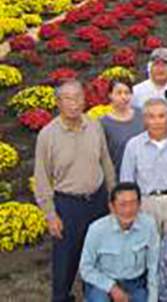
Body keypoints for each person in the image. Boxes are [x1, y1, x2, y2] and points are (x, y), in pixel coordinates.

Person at [33, 79, 116, 302]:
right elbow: (41, 179)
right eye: (68, 98)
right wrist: (51, 215)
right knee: (65, 263)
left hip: (98, 201)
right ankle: (61, 297)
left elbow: (106, 163)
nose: (74, 103)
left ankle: (94, 296)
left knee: (100, 257)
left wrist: (112, 197)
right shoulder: (47, 135)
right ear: (58, 102)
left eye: (78, 97)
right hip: (68, 205)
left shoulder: (94, 125)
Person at [121, 98, 167, 236]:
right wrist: (130, 208)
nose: (157, 122)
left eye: (161, 116)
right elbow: (127, 181)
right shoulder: (133, 145)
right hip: (146, 203)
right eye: (151, 117)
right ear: (145, 120)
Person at [80, 182, 160, 301]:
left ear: (139, 205)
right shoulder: (96, 229)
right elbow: (85, 268)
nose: (128, 210)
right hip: (103, 283)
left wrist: (153, 299)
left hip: (136, 284)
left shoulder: (149, 226)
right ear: (112, 207)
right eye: (122, 204)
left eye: (133, 203)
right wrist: (112, 287)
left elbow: (154, 267)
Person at [101, 78, 145, 179]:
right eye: (118, 93)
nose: (123, 97)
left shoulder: (141, 115)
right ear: (110, 95)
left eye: (127, 92)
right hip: (118, 178)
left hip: (144, 177)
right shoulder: (104, 123)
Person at [132, 47, 167, 111]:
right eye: (156, 65)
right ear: (150, 68)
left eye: (165, 66)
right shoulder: (136, 91)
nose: (160, 69)